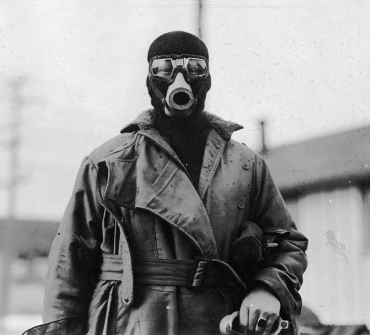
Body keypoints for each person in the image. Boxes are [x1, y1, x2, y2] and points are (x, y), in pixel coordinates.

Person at [24, 31, 308, 335]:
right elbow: (69, 264)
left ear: (208, 78)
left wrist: (268, 289)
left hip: (220, 319)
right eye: (164, 69)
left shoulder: (245, 165)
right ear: (149, 80)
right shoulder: (108, 162)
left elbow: (288, 243)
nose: (180, 79)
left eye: (195, 68)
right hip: (128, 321)